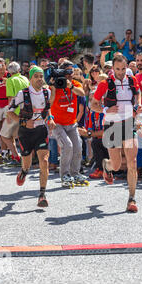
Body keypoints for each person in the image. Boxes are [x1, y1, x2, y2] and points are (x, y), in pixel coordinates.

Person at [90, 54, 142, 213]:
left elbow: (138, 94)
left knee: (132, 162)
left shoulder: (132, 80)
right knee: (117, 165)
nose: (120, 72)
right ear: (113, 68)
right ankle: (106, 165)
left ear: (127, 67)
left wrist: (138, 107)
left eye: (123, 68)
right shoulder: (105, 84)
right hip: (112, 125)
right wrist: (106, 109)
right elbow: (93, 105)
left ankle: (131, 198)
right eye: (117, 69)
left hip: (128, 124)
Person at [7, 66, 55, 208]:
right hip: (26, 132)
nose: (40, 79)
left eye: (41, 76)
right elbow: (9, 111)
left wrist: (50, 119)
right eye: (37, 76)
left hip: (41, 131)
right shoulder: (23, 93)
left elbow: (47, 109)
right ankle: (23, 172)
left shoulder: (46, 92)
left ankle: (42, 195)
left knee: (44, 161)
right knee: (27, 163)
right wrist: (22, 121)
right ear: (30, 78)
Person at [49, 60, 89, 188]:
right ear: (63, 72)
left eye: (73, 71)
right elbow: (50, 102)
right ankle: (65, 175)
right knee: (67, 146)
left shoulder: (75, 83)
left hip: (71, 123)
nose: (72, 74)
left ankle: (75, 173)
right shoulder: (55, 85)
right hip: (58, 123)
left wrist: (70, 86)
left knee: (78, 146)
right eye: (69, 71)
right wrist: (54, 87)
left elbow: (82, 93)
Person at [1, 61, 30, 167]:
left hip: (15, 111)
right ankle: (17, 157)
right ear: (19, 69)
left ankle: (16, 157)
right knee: (15, 136)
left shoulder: (10, 80)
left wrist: (9, 113)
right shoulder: (25, 79)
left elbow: (10, 98)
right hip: (26, 111)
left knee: (4, 135)